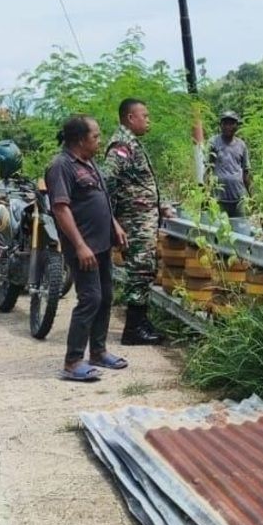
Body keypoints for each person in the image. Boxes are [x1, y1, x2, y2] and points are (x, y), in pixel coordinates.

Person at [46, 115, 128, 382]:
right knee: (90, 298)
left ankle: (99, 351)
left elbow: (100, 198)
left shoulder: (90, 163)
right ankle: (72, 361)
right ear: (80, 140)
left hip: (101, 243)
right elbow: (61, 208)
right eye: (95, 136)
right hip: (84, 247)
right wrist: (80, 245)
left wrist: (114, 225)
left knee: (105, 296)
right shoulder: (61, 166)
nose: (99, 140)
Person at [104, 98, 166, 346]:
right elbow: (107, 181)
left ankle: (140, 321)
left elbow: (136, 184)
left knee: (144, 270)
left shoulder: (130, 143)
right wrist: (112, 220)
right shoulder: (122, 145)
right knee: (139, 271)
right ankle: (133, 329)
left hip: (141, 219)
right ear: (131, 118)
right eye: (145, 116)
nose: (148, 120)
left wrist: (159, 205)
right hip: (134, 221)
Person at [209, 110, 251, 217]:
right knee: (220, 230)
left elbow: (246, 172)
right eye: (225, 123)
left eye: (231, 123)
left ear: (236, 126)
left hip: (239, 198)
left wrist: (251, 195)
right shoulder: (213, 143)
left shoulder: (241, 145)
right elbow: (208, 169)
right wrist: (205, 194)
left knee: (241, 229)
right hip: (219, 198)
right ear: (220, 125)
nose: (228, 126)